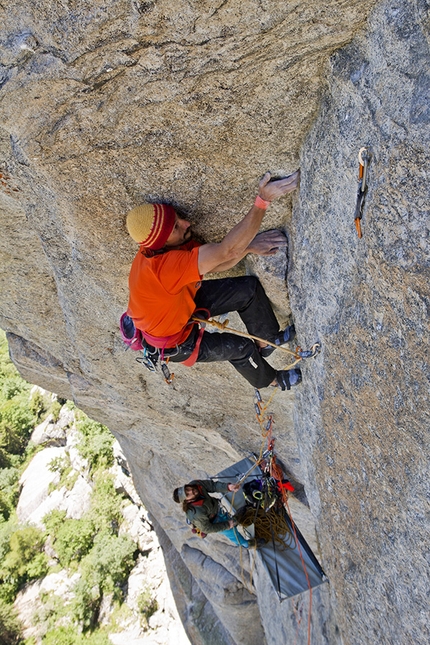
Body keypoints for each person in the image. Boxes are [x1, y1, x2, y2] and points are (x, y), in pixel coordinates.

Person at [126, 171, 302, 390]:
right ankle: (274, 380)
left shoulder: (161, 247)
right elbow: (226, 252)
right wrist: (263, 200)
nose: (186, 223)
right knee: (241, 348)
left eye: (177, 218)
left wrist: (248, 247)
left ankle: (267, 340)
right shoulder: (166, 269)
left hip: (178, 306)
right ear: (161, 243)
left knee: (247, 289)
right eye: (176, 227)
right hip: (176, 341)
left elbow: (217, 262)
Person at [173, 479, 255, 547]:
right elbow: (207, 528)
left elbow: (212, 486)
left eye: (187, 489)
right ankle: (247, 544)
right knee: (232, 532)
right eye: (188, 494)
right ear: (188, 500)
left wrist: (228, 487)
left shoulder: (196, 485)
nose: (191, 491)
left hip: (216, 510)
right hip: (213, 522)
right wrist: (227, 525)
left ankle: (235, 520)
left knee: (232, 521)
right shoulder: (195, 513)